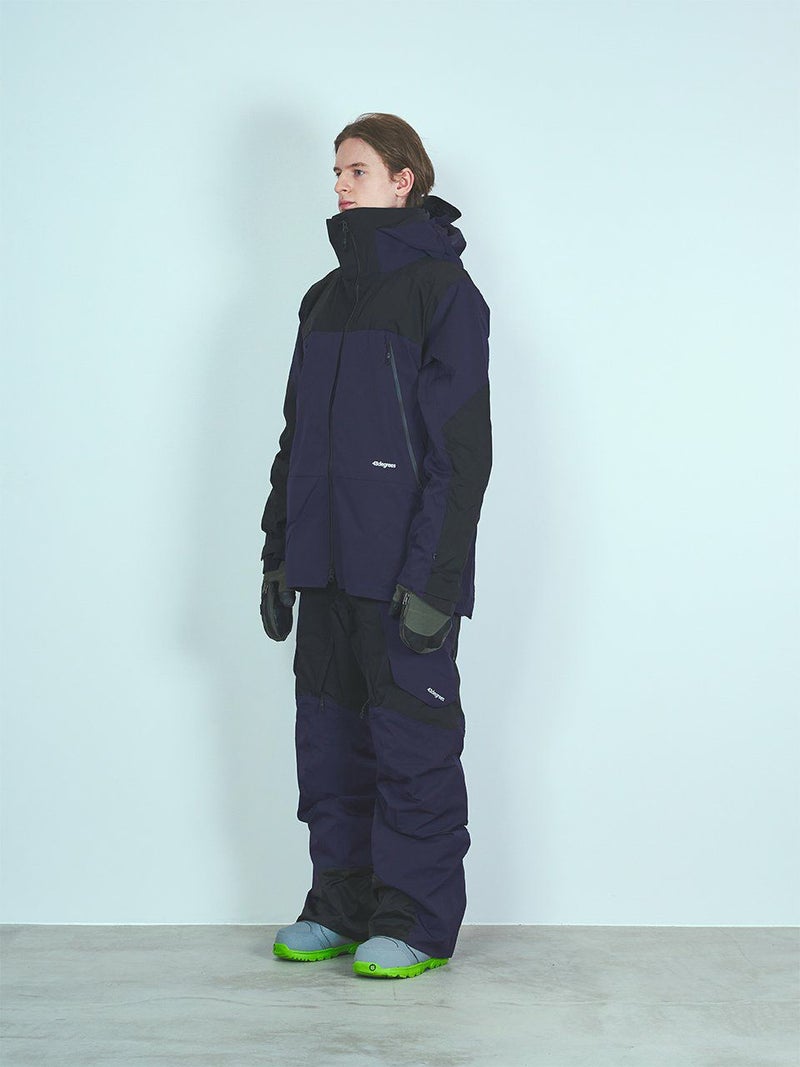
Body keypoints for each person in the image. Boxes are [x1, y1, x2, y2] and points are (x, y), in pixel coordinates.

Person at [259, 113, 492, 979]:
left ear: (404, 180)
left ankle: (417, 920)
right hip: (325, 568)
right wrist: (278, 553)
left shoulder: (443, 292)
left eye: (356, 168)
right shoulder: (323, 299)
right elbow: (295, 441)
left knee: (411, 747)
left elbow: (462, 453)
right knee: (329, 745)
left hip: (401, 574)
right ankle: (340, 904)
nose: (340, 183)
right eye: (336, 170)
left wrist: (437, 578)